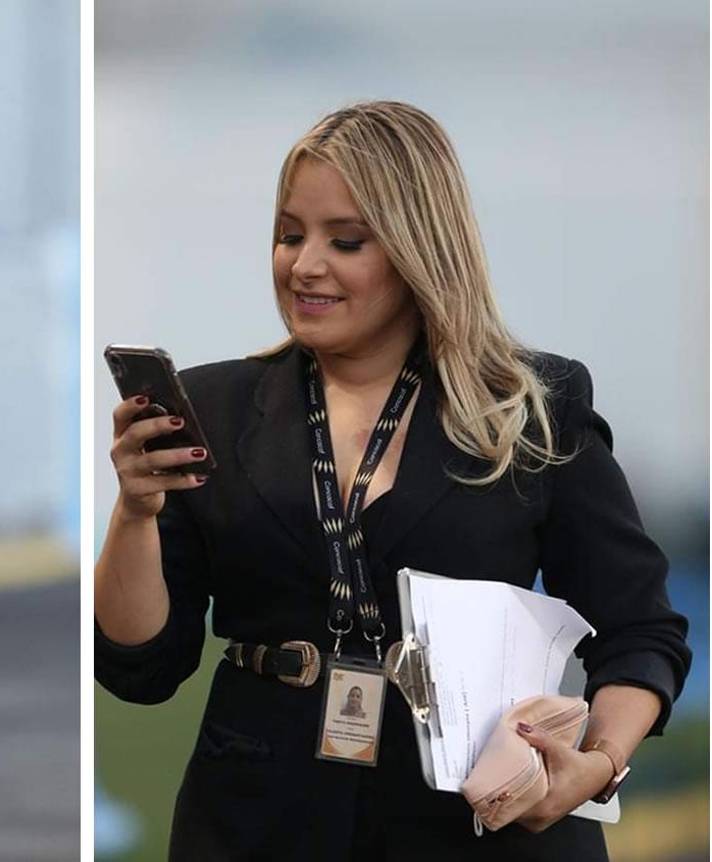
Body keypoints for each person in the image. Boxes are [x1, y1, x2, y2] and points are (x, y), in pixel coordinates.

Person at [94, 101, 690, 860]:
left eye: (345, 241)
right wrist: (136, 512)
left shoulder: (536, 404)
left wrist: (595, 766)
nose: (304, 264)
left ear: (420, 250)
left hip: (483, 816)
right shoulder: (211, 406)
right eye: (288, 234)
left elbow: (639, 630)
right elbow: (141, 664)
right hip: (257, 815)